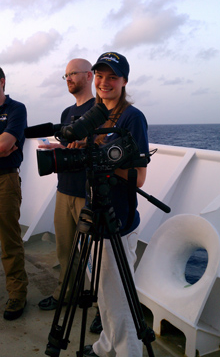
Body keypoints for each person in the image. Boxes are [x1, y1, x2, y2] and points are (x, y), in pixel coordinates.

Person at [82, 52, 150, 357]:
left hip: (118, 220)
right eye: (100, 75)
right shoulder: (95, 114)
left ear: (124, 81)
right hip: (95, 215)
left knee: (119, 298)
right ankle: (106, 346)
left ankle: (128, 352)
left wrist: (101, 157)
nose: (104, 82)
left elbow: (139, 178)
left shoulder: (131, 118)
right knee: (104, 295)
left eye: (112, 76)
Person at [38, 58, 95, 310]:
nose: (69, 78)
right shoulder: (66, 113)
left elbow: (101, 147)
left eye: (73, 73)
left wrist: (83, 144)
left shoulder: (100, 110)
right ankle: (67, 294)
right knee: (65, 250)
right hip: (65, 190)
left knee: (100, 254)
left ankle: (100, 306)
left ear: (89, 76)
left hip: (89, 192)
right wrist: (58, 148)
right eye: (66, 75)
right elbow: (67, 146)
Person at [0, 67, 28, 320]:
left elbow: (5, 146)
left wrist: (4, 146)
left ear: (2, 82)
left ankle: (17, 294)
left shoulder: (16, 109)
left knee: (9, 239)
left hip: (5, 180)